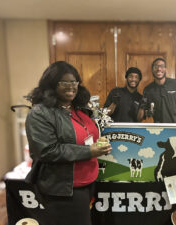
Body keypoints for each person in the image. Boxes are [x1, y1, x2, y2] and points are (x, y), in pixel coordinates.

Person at [24, 61, 112, 225]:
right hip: (63, 190)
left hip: (87, 183)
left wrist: (98, 144)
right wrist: (90, 151)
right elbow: (47, 151)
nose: (71, 86)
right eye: (64, 82)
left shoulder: (78, 108)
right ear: (51, 84)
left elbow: (84, 136)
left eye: (74, 82)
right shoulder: (40, 113)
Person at [140, 57, 176, 123]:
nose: (159, 69)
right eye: (156, 66)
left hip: (175, 126)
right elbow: (145, 110)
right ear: (152, 70)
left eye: (162, 66)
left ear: (165, 69)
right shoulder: (148, 89)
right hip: (158, 128)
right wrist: (147, 112)